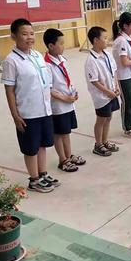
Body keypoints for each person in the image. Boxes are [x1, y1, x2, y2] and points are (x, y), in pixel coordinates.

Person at [1, 18, 58, 192]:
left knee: (43, 144)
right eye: (24, 34)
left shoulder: (37, 55)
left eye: (31, 34)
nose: (29, 37)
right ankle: (33, 179)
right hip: (27, 112)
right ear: (14, 36)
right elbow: (9, 90)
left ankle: (42, 174)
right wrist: (15, 115)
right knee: (31, 148)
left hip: (44, 109)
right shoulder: (11, 61)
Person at [43, 28, 85, 173]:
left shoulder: (62, 60)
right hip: (58, 106)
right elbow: (48, 89)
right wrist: (65, 98)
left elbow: (66, 80)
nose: (63, 46)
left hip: (68, 103)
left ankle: (68, 155)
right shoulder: (46, 65)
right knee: (58, 133)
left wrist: (73, 93)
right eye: (60, 43)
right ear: (50, 46)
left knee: (66, 131)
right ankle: (62, 159)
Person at [85, 26, 120, 157]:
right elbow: (94, 81)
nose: (107, 40)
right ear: (95, 40)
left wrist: (116, 86)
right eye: (104, 38)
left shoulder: (107, 54)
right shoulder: (91, 60)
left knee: (109, 117)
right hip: (102, 96)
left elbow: (114, 71)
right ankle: (98, 144)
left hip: (111, 92)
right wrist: (107, 92)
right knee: (101, 119)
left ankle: (105, 141)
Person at [112, 12, 131, 139]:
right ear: (124, 26)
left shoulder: (129, 39)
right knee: (127, 102)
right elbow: (124, 62)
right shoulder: (121, 41)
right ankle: (127, 127)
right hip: (123, 75)